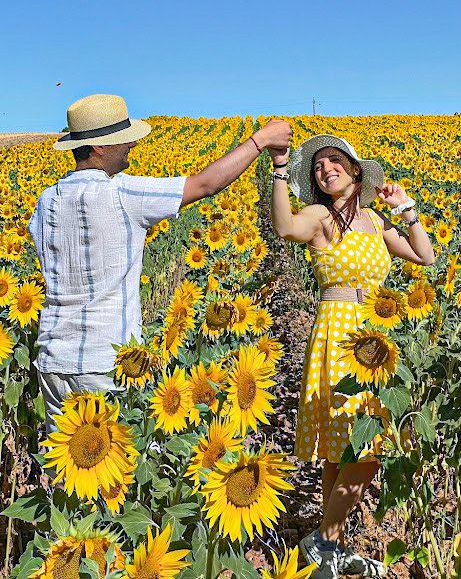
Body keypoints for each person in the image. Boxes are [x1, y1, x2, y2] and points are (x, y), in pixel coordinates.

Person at [29, 93, 291, 434]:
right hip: (104, 364)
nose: (131, 146)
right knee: (112, 473)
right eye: (122, 140)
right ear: (98, 148)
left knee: (69, 471)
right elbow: (206, 183)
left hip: (53, 359)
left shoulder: (47, 199)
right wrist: (261, 140)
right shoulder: (122, 193)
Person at [269, 134, 434, 579]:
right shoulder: (320, 217)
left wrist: (405, 207)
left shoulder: (376, 221)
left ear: (355, 170)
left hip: (376, 335)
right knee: (363, 448)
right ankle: (326, 542)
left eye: (334, 160)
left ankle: (329, 546)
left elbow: (426, 255)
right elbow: (285, 227)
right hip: (338, 331)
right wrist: (281, 169)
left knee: (346, 451)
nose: (326, 168)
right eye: (318, 165)